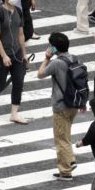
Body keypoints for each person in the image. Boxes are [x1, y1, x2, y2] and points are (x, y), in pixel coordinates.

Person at [37, 32, 81, 181]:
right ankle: (69, 160)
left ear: (54, 48)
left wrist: (46, 58)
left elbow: (40, 74)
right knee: (66, 134)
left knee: (61, 138)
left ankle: (66, 170)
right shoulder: (74, 59)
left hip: (61, 104)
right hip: (74, 103)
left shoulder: (57, 63)